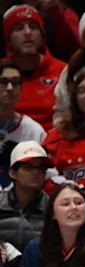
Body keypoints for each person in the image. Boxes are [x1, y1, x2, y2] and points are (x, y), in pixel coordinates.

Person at [6, 5, 67, 130]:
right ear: (9, 38)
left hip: (53, 138)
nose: (28, 32)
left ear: (42, 35)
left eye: (33, 27)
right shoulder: (1, 71)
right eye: (19, 28)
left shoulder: (63, 71)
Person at [0, 60, 47, 188]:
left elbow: (46, 172)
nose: (10, 88)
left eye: (15, 82)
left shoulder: (34, 130)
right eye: (3, 82)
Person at [0, 140, 51, 250]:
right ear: (12, 173)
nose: (36, 172)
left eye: (41, 168)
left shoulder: (53, 207)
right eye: (29, 167)